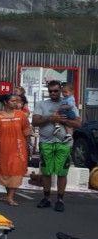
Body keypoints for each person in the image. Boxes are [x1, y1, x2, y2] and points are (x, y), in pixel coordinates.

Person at [33, 80, 82, 212]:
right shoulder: (41, 104)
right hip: (46, 143)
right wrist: (50, 118)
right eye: (50, 91)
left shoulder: (69, 102)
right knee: (46, 172)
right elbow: (34, 122)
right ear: (48, 91)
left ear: (60, 90)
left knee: (62, 173)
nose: (53, 93)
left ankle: (60, 200)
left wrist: (64, 120)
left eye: (56, 90)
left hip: (64, 144)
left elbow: (78, 124)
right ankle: (47, 198)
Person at [0, 93, 31, 206]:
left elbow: (27, 132)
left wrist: (27, 146)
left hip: (19, 149)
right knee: (5, 171)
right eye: (13, 101)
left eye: (16, 101)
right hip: (3, 149)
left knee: (16, 171)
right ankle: (8, 195)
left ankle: (10, 197)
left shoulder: (21, 115)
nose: (16, 103)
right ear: (5, 103)